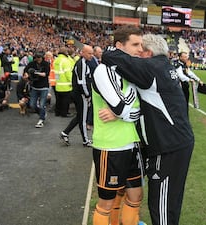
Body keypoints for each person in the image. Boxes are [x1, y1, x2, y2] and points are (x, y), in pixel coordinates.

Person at [102, 34, 195, 225]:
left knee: (161, 202)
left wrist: (116, 48)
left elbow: (109, 56)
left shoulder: (151, 67)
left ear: (148, 53)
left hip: (167, 145)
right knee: (170, 198)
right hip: (175, 141)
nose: (136, 52)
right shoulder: (163, 66)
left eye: (139, 48)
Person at [91, 25, 143, 225]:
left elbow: (136, 111)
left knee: (135, 196)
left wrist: (121, 113)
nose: (140, 49)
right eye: (135, 44)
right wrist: (122, 111)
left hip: (132, 143)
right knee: (106, 202)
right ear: (119, 46)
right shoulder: (103, 71)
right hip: (110, 146)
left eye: (141, 44)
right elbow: (123, 108)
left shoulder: (130, 72)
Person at [60, 45, 94, 147]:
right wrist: (87, 95)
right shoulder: (82, 64)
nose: (91, 55)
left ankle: (65, 133)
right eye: (89, 53)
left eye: (92, 53)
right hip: (80, 95)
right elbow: (82, 82)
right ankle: (85, 140)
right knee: (83, 118)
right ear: (82, 53)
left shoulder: (83, 63)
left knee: (80, 116)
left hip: (79, 94)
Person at [23, 52, 50, 128]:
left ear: (42, 58)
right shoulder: (32, 64)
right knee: (32, 104)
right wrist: (26, 74)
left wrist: (35, 73)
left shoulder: (46, 64)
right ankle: (42, 113)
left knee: (42, 104)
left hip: (44, 87)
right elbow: (26, 70)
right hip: (35, 86)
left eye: (39, 58)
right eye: (36, 58)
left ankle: (41, 120)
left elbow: (45, 74)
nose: (38, 59)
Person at [54, 47, 73, 117]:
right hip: (65, 84)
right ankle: (64, 113)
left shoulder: (56, 60)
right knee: (65, 101)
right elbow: (68, 73)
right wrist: (72, 81)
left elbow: (56, 73)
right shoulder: (65, 61)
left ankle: (57, 112)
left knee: (58, 100)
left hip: (58, 83)